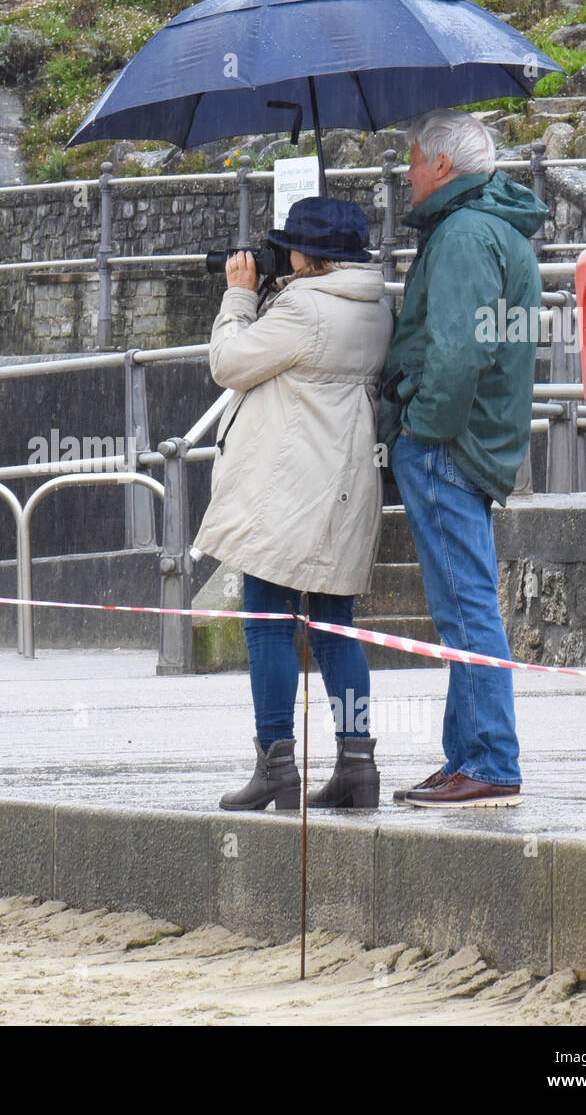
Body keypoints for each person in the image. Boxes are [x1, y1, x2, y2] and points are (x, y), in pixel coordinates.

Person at [196, 197, 394, 811]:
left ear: (311, 257)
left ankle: (277, 764)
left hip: (289, 491)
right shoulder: (376, 305)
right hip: (343, 488)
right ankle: (357, 764)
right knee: (336, 627)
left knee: (266, 618)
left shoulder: (304, 307)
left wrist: (238, 296)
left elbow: (229, 363)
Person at [379, 109, 548, 808]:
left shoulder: (462, 236)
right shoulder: (494, 228)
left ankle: (488, 762)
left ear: (443, 166)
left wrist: (420, 429)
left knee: (467, 606)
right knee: (460, 606)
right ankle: (466, 758)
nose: (407, 174)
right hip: (469, 441)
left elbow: (457, 353)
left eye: (415, 161)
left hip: (448, 444)